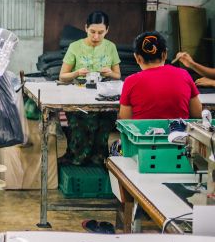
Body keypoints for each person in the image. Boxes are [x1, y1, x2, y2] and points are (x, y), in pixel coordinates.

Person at [58, 11, 120, 166]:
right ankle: (77, 159)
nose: (96, 37)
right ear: (85, 28)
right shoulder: (75, 47)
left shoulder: (110, 47)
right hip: (79, 95)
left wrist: (110, 73)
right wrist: (77, 72)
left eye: (101, 33)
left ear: (107, 30)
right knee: (80, 129)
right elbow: (62, 76)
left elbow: (118, 76)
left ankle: (98, 160)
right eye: (92, 32)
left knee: (103, 127)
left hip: (103, 95)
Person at [119, 32, 202, 119]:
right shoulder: (184, 74)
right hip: (178, 132)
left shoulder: (131, 81)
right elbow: (197, 114)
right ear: (165, 54)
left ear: (137, 58)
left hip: (143, 132)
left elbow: (125, 120)